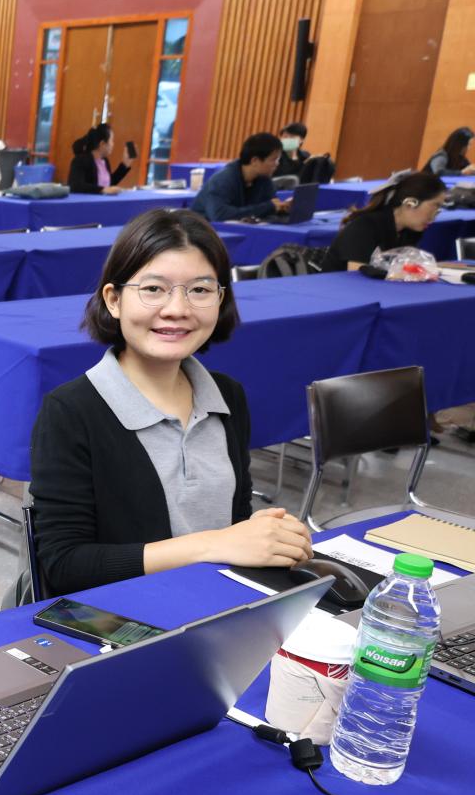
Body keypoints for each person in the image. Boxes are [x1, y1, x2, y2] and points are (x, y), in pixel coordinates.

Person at [30, 208, 312, 597]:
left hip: (217, 601)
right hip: (125, 613)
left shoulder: (226, 395)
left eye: (200, 290)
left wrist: (264, 536)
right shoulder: (70, 411)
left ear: (220, 299)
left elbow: (234, 519)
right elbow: (64, 566)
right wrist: (213, 544)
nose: (178, 309)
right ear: (114, 300)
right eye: (153, 289)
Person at [320, 171, 445, 272]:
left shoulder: (408, 232)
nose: (435, 214)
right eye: (435, 205)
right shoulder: (365, 227)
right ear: (410, 202)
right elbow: (357, 276)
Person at [189, 133, 290, 221]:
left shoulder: (264, 179)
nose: (277, 164)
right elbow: (219, 215)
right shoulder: (223, 179)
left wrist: (282, 209)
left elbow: (270, 208)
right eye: (274, 160)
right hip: (203, 230)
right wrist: (267, 207)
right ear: (255, 161)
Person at [66, 123, 134, 194]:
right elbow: (76, 185)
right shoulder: (80, 160)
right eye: (111, 140)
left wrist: (124, 165)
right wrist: (102, 190)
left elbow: (108, 185)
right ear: (102, 144)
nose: (113, 144)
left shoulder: (105, 161)